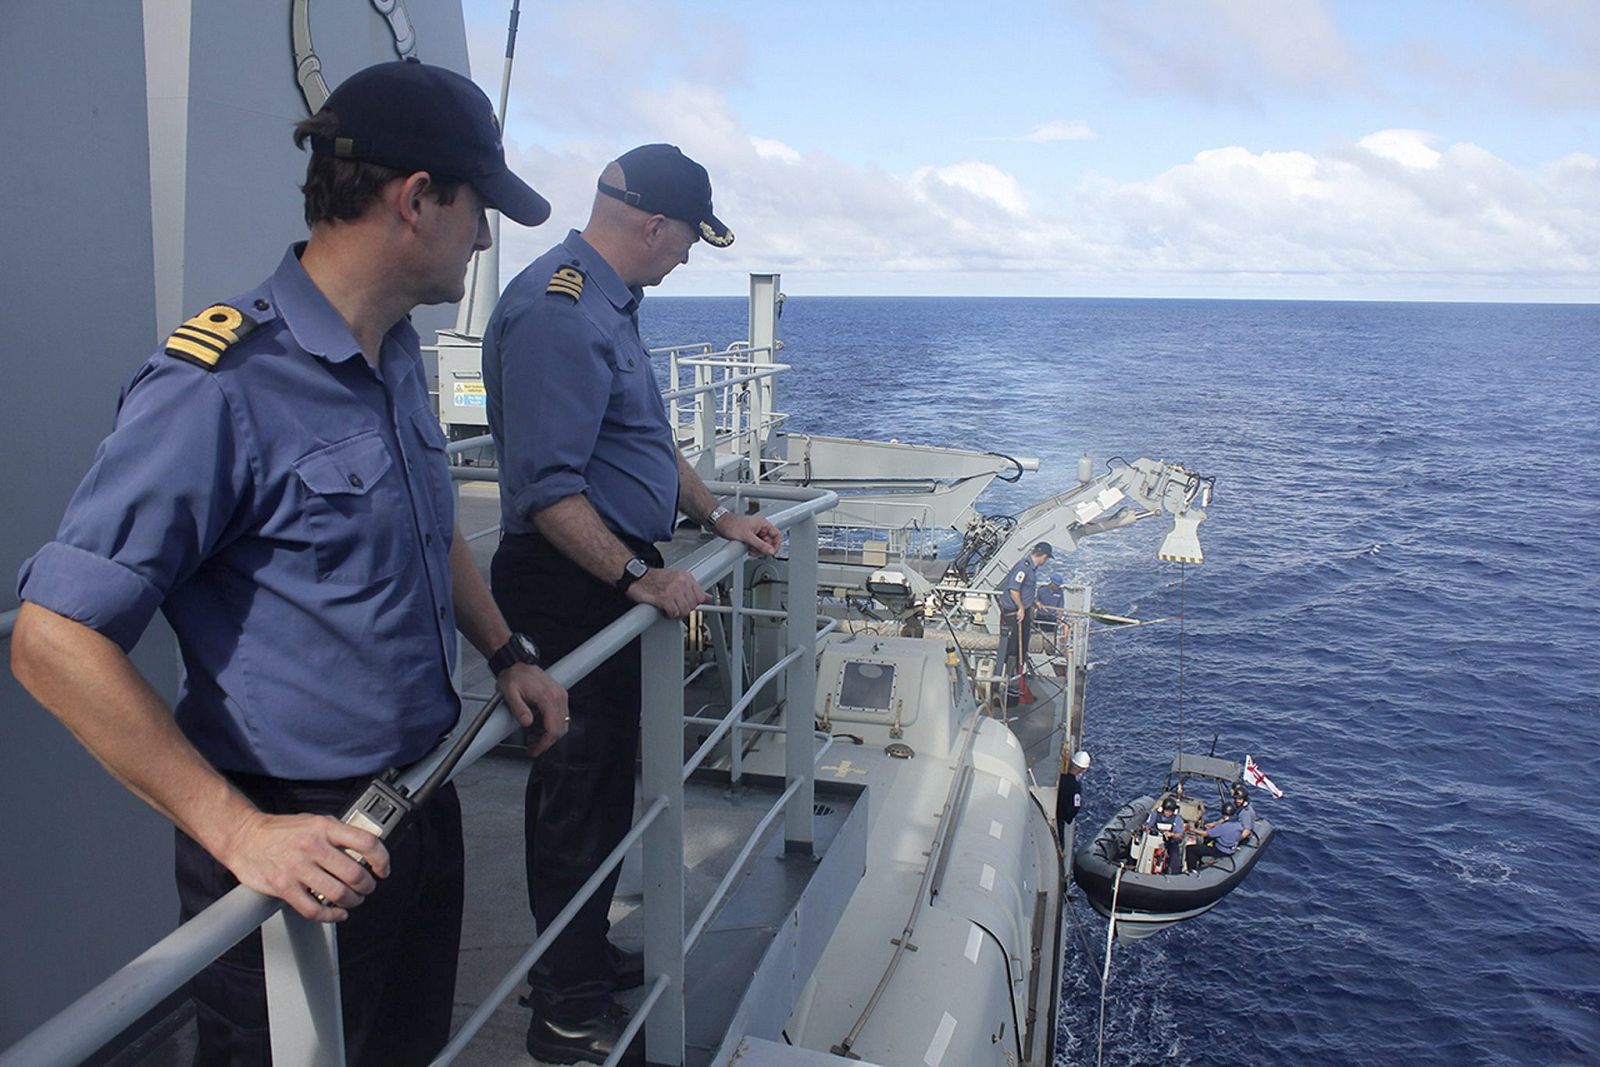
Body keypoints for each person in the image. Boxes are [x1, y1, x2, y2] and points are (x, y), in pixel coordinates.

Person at [8, 59, 568, 1066]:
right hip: (293, 840)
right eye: (479, 209)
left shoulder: (393, 352)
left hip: (420, 799)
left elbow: (429, 522)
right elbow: (54, 639)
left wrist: (505, 651)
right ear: (416, 200)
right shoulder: (217, 387)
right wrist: (240, 833)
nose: (485, 238)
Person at [483, 143, 781, 1065]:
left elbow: (641, 445)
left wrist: (715, 514)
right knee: (575, 797)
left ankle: (578, 953)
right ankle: (564, 1005)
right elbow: (548, 489)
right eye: (690, 239)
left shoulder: (606, 302)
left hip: (595, 581)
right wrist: (637, 577)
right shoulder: (560, 314)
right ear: (653, 224)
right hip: (565, 586)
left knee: (606, 791)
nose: (689, 257)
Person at [995, 541, 1053, 704]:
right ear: (1043, 557)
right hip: (1015, 615)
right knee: (1013, 650)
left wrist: (1033, 602)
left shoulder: (1030, 568)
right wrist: (1021, 607)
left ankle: (1016, 682)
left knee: (1021, 649)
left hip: (1024, 612)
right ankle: (1009, 685)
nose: (1045, 561)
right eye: (1046, 559)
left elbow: (1025, 589)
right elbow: (1014, 590)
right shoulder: (1024, 567)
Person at [1055, 749, 1091, 872]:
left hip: (1055, 810)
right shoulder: (1076, 787)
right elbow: (1075, 807)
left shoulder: (1060, 778)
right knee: (1060, 844)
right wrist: (1068, 817)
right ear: (1082, 769)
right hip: (1061, 818)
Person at [1186, 800, 1245, 870]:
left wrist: (1192, 830)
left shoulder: (1223, 827)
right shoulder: (1238, 825)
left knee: (1191, 849)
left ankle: (1192, 869)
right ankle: (1200, 861)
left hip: (1220, 850)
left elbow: (1205, 834)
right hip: (1230, 848)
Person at [1143, 796, 1187, 874]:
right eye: (1166, 810)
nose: (1168, 813)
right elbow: (1148, 825)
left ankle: (1174, 873)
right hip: (1155, 840)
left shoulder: (1177, 819)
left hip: (1171, 841)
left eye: (1170, 811)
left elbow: (1180, 835)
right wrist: (1146, 829)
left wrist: (1171, 834)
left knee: (1174, 856)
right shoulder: (1155, 814)